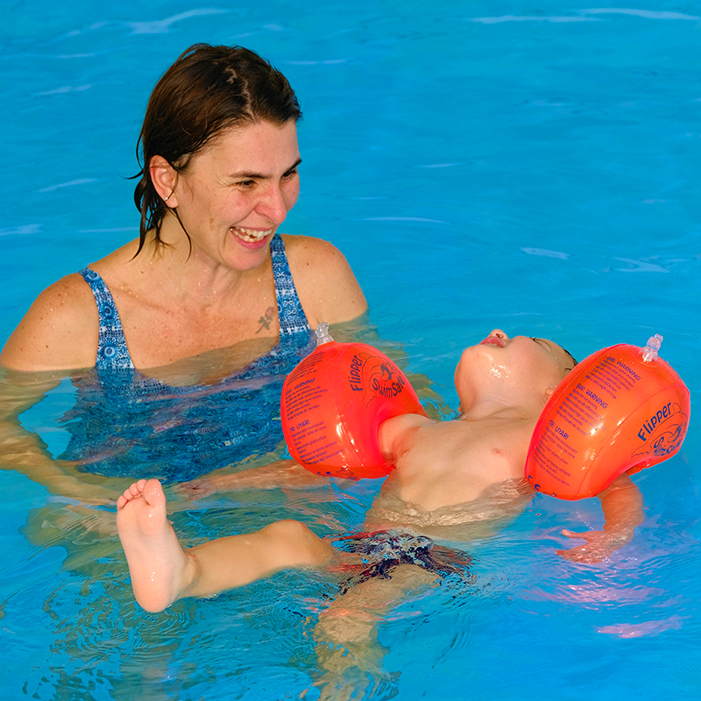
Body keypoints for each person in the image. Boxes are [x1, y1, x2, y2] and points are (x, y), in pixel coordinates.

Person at [0, 44, 366, 490]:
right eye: (246, 182)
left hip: (275, 501)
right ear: (168, 181)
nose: (277, 209)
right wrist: (80, 496)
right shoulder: (79, 316)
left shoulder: (315, 276)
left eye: (287, 175)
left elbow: (388, 397)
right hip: (123, 523)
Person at [116, 329, 645, 613]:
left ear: (557, 391)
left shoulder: (544, 440)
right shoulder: (418, 427)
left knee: (346, 617)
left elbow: (614, 485)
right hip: (362, 545)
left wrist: (613, 536)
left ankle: (345, 679)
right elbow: (320, 469)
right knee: (288, 536)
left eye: (535, 341)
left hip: (431, 556)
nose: (500, 331)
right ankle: (182, 573)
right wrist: (223, 484)